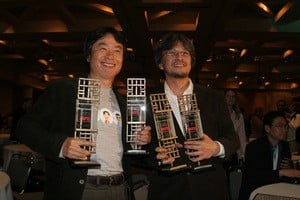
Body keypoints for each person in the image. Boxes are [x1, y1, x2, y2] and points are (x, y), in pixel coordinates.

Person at [16, 27, 151, 200]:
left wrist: (138, 141)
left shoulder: (123, 103)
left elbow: (121, 150)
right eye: (102, 48)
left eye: (117, 51)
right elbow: (25, 127)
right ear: (88, 55)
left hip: (120, 189)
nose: (111, 56)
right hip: (81, 189)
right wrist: (61, 146)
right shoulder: (65, 89)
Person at [145, 32, 239, 200]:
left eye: (185, 53)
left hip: (211, 189)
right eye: (172, 52)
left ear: (191, 61)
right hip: (167, 190)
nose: (179, 57)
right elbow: (139, 149)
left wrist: (216, 148)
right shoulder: (147, 101)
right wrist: (155, 156)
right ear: (160, 63)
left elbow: (232, 138)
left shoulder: (214, 97)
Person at [239, 111, 300, 200]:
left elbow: (286, 172)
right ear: (267, 128)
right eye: (279, 126)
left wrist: (289, 167)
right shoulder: (254, 147)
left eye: (286, 126)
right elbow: (254, 175)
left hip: (278, 190)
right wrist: (282, 172)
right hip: (256, 193)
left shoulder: (285, 146)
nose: (285, 129)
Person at [225, 90, 248, 164]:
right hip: (220, 149)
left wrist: (243, 154)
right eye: (228, 96)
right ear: (224, 98)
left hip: (233, 150)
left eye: (233, 96)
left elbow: (242, 135)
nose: (230, 98)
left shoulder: (239, 116)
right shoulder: (218, 114)